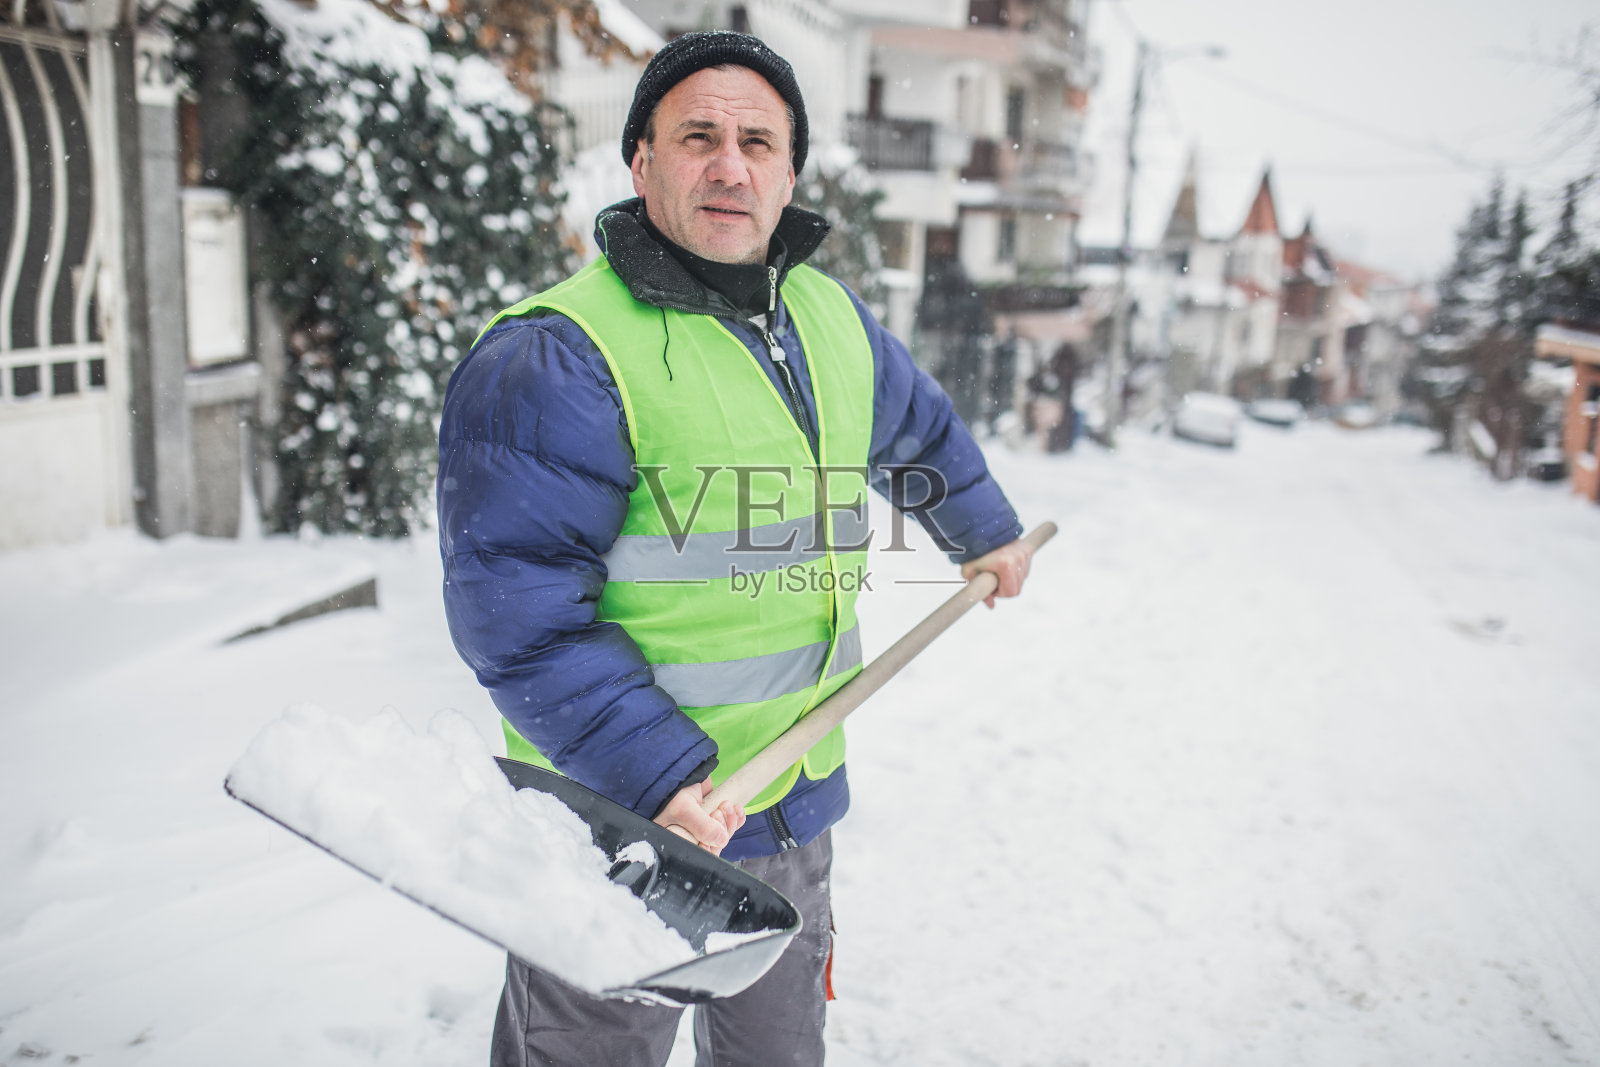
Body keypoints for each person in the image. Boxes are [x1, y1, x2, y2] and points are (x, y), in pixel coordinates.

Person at [437, 30, 1035, 1067]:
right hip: (620, 828)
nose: (730, 164)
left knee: (776, 1052)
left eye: (759, 142)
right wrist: (657, 775)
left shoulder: (828, 317)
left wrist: (982, 529)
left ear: (788, 171)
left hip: (790, 801)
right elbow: (517, 622)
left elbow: (918, 428)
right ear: (642, 162)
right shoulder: (557, 355)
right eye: (698, 136)